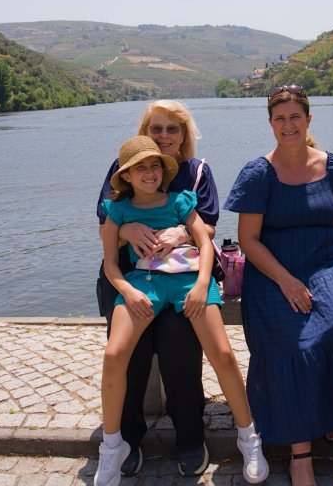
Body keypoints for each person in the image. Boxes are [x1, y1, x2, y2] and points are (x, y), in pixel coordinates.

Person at [225, 85, 333, 486]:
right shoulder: (258, 173)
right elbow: (248, 240)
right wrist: (286, 280)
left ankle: (332, 410)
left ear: (308, 119)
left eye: (295, 117)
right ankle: (301, 455)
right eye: (280, 118)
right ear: (270, 123)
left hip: (325, 263)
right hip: (273, 272)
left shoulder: (332, 166)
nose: (288, 125)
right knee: (293, 342)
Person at [95, 135, 268, 486]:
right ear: (126, 175)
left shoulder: (180, 201)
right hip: (142, 284)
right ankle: (113, 447)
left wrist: (203, 284)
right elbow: (110, 264)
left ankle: (248, 437)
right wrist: (128, 291)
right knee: (114, 355)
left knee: (223, 354)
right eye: (140, 168)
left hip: (189, 281)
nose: (149, 173)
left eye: (154, 166)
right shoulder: (117, 211)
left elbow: (204, 242)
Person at [95, 100, 219, 478]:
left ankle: (190, 437)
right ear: (144, 132)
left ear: (183, 135)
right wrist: (126, 230)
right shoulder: (124, 166)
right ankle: (128, 438)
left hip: (181, 278)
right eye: (156, 128)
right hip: (128, 278)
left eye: (172, 129)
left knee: (179, 348)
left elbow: (208, 226)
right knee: (132, 354)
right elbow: (105, 225)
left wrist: (183, 231)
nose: (164, 136)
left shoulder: (196, 173)